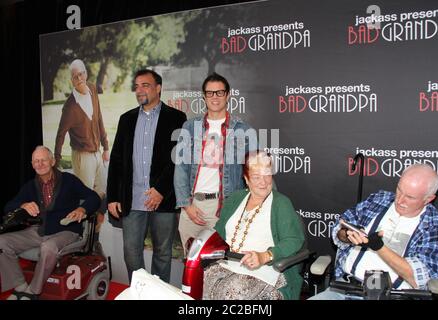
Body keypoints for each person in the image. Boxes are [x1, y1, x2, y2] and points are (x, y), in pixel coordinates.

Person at [310, 163, 438, 300]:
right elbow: (340, 228)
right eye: (399, 190)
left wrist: (379, 247)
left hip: (397, 295)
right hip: (347, 288)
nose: (400, 200)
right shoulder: (379, 199)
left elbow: (418, 277)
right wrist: (347, 234)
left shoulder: (437, 227)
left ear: (429, 199)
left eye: (410, 197)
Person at [107, 69, 186, 283]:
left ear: (158, 88)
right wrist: (113, 196)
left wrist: (161, 190)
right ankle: (141, 292)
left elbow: (178, 159)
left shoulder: (177, 118)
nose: (139, 90)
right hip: (132, 200)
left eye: (145, 85)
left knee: (162, 252)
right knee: (131, 252)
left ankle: (158, 294)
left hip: (163, 198)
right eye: (137, 86)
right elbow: (116, 160)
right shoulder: (127, 119)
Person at [0, 146, 100, 300]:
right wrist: (23, 205)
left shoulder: (69, 180)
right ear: (32, 164)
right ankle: (20, 286)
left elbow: (94, 197)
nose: (40, 164)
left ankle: (33, 291)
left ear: (52, 161)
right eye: (36, 161)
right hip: (39, 231)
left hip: (66, 231)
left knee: (48, 247)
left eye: (43, 160)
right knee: (2, 241)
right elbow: (8, 207)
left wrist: (82, 209)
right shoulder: (30, 186)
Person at [202, 151, 305, 300]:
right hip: (227, 264)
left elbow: (294, 240)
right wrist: (203, 244)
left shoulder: (281, 203)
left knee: (231, 292)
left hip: (265, 270)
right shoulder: (235, 199)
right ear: (246, 179)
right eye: (256, 177)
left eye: (267, 175)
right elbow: (219, 233)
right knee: (199, 281)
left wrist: (265, 256)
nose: (263, 182)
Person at [174, 72, 257, 255]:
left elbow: (253, 172)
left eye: (219, 92)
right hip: (192, 205)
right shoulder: (190, 127)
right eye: (210, 93)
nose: (215, 97)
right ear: (204, 96)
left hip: (224, 206)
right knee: (191, 264)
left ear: (228, 95)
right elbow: (181, 168)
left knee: (218, 267)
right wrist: (186, 205)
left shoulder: (243, 130)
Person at [54, 58, 109, 200]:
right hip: (82, 157)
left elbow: (99, 118)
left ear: (86, 73)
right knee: (85, 199)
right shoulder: (70, 107)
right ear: (71, 80)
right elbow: (60, 135)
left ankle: (96, 223)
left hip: (97, 153)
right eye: (75, 76)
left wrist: (106, 147)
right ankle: (82, 222)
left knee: (101, 193)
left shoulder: (92, 89)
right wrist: (56, 160)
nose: (79, 78)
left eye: (81, 74)